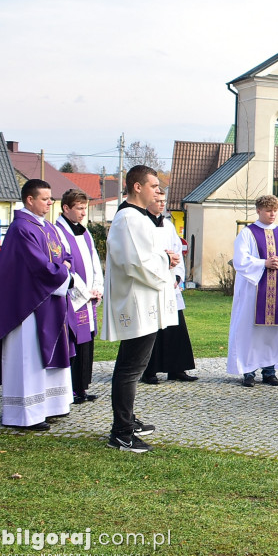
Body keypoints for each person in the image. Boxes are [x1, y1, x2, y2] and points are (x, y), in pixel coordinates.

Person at [0, 179, 74, 431]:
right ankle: (24, 415)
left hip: (49, 302)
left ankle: (50, 406)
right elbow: (39, 267)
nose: (50, 203)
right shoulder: (22, 228)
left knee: (47, 354)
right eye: (45, 199)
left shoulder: (48, 227)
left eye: (50, 199)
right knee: (28, 357)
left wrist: (64, 267)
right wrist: (62, 271)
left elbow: (65, 256)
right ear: (29, 200)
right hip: (26, 306)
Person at [102, 165, 179, 452]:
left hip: (146, 300)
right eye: (153, 185)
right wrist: (166, 262)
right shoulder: (128, 219)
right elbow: (135, 263)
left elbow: (148, 254)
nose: (158, 191)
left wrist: (164, 256)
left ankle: (127, 421)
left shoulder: (140, 218)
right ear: (137, 187)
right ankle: (121, 432)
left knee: (134, 366)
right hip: (136, 303)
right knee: (130, 369)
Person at [227, 195, 278, 388]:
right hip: (252, 293)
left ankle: (269, 371)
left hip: (275, 291)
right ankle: (248, 371)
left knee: (272, 331)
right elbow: (240, 260)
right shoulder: (247, 233)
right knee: (250, 330)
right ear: (259, 211)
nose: (272, 214)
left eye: (275, 210)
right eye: (268, 210)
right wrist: (264, 263)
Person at [141, 190, 198, 384]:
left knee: (176, 327)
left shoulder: (168, 225)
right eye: (157, 200)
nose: (161, 204)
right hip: (152, 284)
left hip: (171, 283)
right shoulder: (141, 224)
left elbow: (178, 252)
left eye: (163, 201)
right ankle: (149, 370)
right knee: (153, 328)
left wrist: (179, 275)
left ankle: (177, 368)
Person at [54, 188, 104, 405]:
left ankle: (82, 387)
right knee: (73, 343)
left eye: (86, 208)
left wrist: (98, 287)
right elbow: (64, 266)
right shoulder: (58, 233)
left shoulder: (84, 232)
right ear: (66, 208)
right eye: (80, 208)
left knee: (87, 343)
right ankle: (71, 389)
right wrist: (84, 292)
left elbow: (94, 262)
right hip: (73, 299)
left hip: (88, 298)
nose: (84, 213)